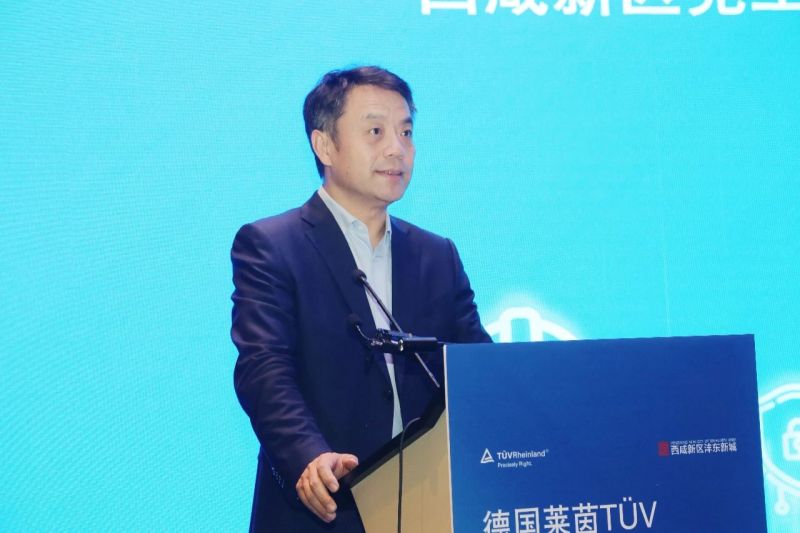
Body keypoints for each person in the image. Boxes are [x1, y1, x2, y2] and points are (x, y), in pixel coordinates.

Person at [230, 65, 491, 532]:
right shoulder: (272, 246)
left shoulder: (437, 255)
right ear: (325, 145)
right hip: (323, 510)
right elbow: (264, 369)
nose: (397, 149)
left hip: (428, 510)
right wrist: (309, 457)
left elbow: (479, 371)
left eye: (406, 132)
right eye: (375, 131)